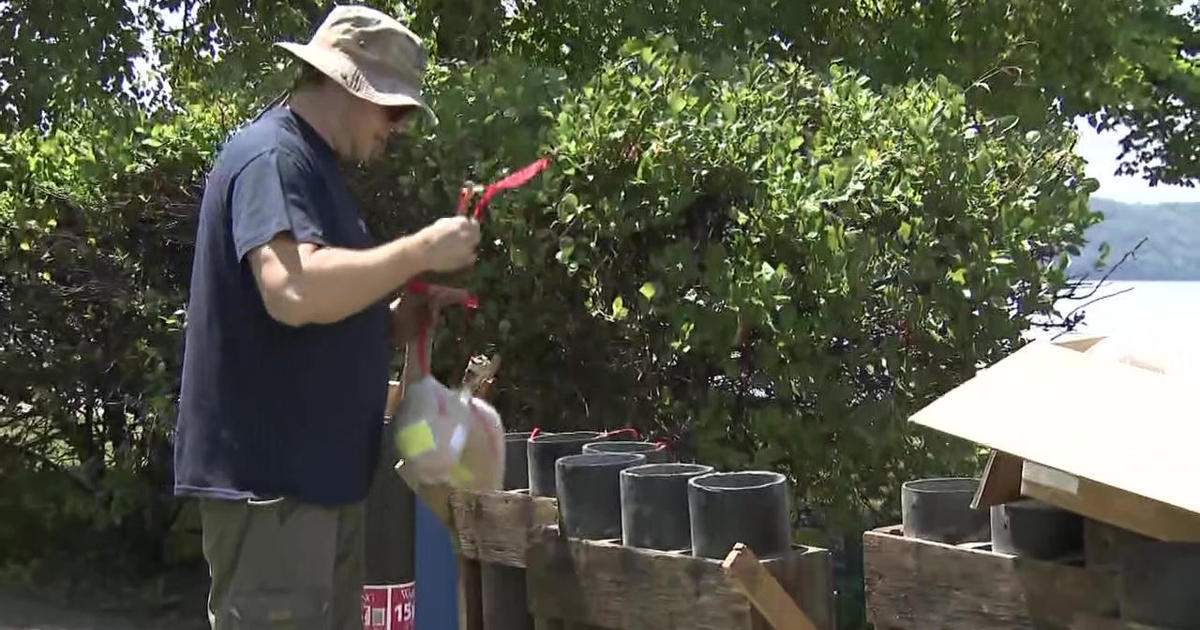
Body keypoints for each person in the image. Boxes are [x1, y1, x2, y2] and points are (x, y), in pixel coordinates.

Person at [172, 5, 477, 629]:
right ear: (347, 85)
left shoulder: (314, 169)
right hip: (273, 498)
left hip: (318, 490)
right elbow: (293, 290)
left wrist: (399, 318)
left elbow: (317, 311)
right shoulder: (272, 160)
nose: (397, 128)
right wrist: (419, 250)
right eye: (393, 109)